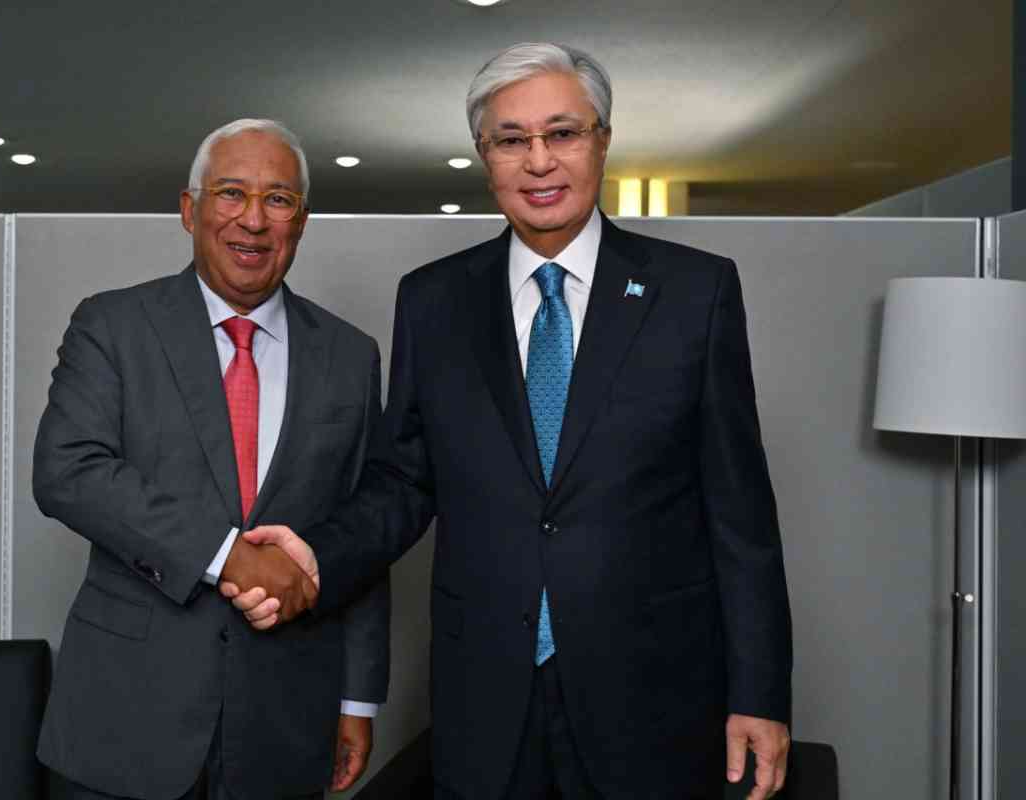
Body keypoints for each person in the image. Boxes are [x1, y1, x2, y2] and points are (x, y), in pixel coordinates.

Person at [230, 44, 793, 799]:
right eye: (511, 140)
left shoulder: (695, 293)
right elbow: (406, 479)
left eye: (562, 133)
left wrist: (759, 691)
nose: (539, 161)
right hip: (486, 696)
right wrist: (317, 555)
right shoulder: (433, 300)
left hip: (652, 695)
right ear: (484, 156)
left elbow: (741, 515)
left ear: (601, 141)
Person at [32, 118, 389, 800]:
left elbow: (365, 529)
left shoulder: (350, 355)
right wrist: (227, 556)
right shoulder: (112, 326)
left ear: (301, 221)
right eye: (230, 193)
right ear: (189, 210)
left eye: (278, 199)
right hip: (125, 719)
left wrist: (357, 698)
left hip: (287, 718)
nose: (253, 220)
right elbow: (67, 470)